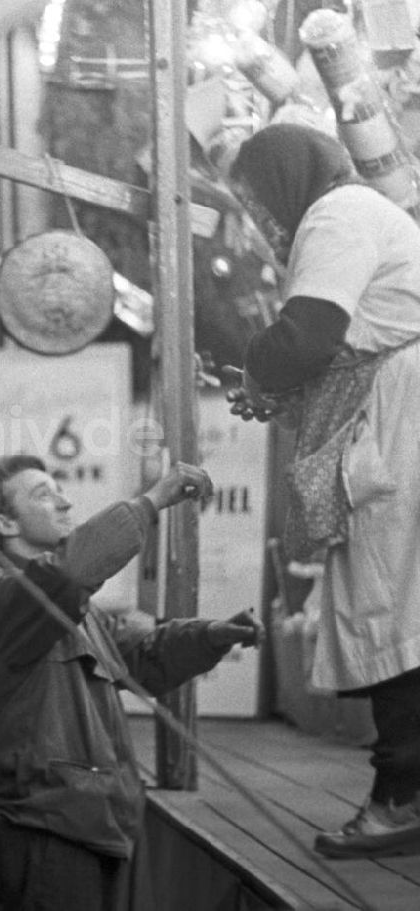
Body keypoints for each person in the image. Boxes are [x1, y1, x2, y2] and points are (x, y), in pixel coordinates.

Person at [224, 122, 420, 859]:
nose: (260, 217)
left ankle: (399, 798)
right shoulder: (365, 211)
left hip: (401, 425)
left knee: (394, 608)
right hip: (398, 407)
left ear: (285, 177)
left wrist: (255, 369)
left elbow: (308, 335)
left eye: (256, 197)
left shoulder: (334, 216)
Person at [0, 455, 264, 911]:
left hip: (90, 823)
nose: (64, 502)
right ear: (3, 523)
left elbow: (142, 656)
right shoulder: (0, 599)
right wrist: (152, 500)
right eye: (43, 494)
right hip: (47, 831)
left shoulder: (68, 604)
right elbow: (70, 569)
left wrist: (209, 636)